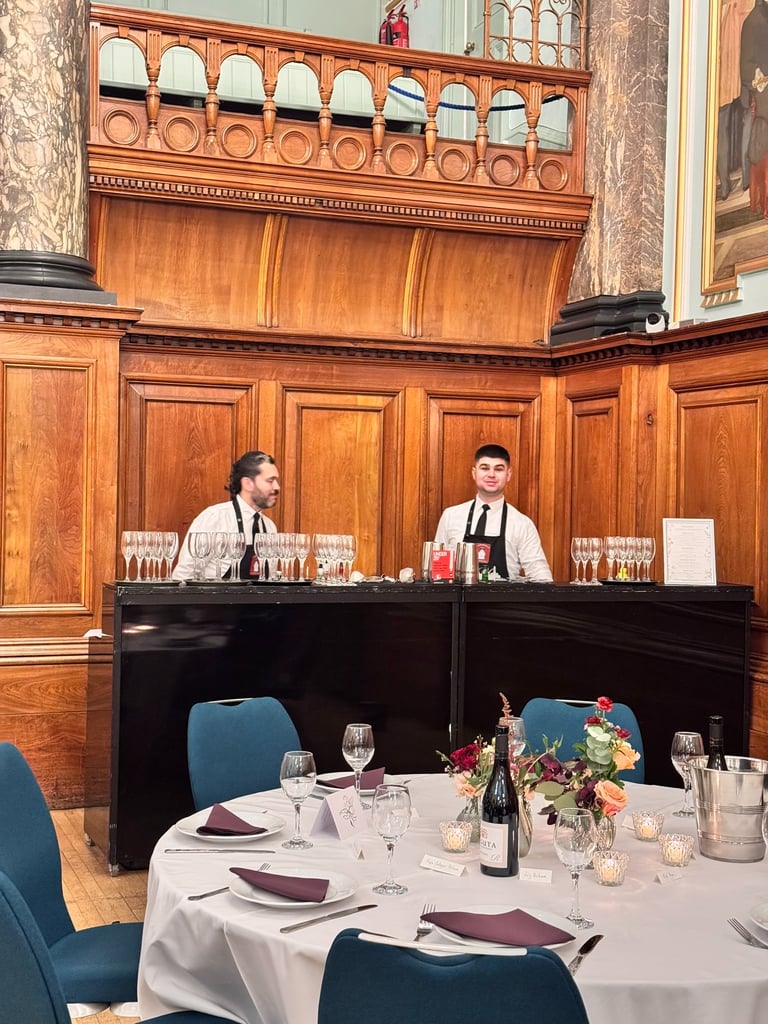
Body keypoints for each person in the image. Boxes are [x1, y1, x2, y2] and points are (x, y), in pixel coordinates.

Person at [434, 443, 552, 582]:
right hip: (458, 597)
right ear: (474, 473)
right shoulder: (450, 516)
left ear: (508, 475)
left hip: (504, 596)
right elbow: (438, 572)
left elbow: (541, 576)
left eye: (498, 469)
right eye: (485, 468)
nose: (491, 475)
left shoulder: (522, 524)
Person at [172, 450, 279, 580]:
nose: (277, 487)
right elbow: (184, 575)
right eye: (270, 481)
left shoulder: (269, 526)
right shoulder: (215, 518)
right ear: (247, 483)